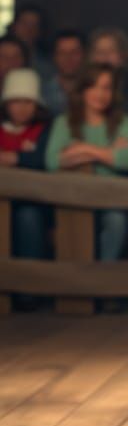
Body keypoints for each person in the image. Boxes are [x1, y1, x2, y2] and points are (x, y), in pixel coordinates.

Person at [44, 62, 128, 283]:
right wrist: (107, 153)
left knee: (117, 222)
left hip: (111, 200)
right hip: (72, 199)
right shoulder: (64, 122)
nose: (100, 94)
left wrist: (83, 149)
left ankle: (102, 283)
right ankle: (76, 285)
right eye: (94, 87)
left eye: (106, 88)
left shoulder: (124, 122)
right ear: (83, 90)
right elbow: (52, 161)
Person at [0, 69, 52, 288]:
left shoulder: (45, 131)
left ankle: (29, 288)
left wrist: (16, 157)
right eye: (16, 101)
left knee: (28, 219)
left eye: (28, 102)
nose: (22, 108)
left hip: (31, 201)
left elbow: (45, 159)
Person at [87, 25, 128, 113]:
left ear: (123, 55)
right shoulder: (83, 85)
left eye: (111, 50)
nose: (105, 56)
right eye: (99, 52)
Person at [41, 28, 85, 116]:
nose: (68, 58)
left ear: (84, 54)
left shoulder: (93, 91)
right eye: (62, 53)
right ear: (54, 56)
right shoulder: (42, 92)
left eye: (74, 52)